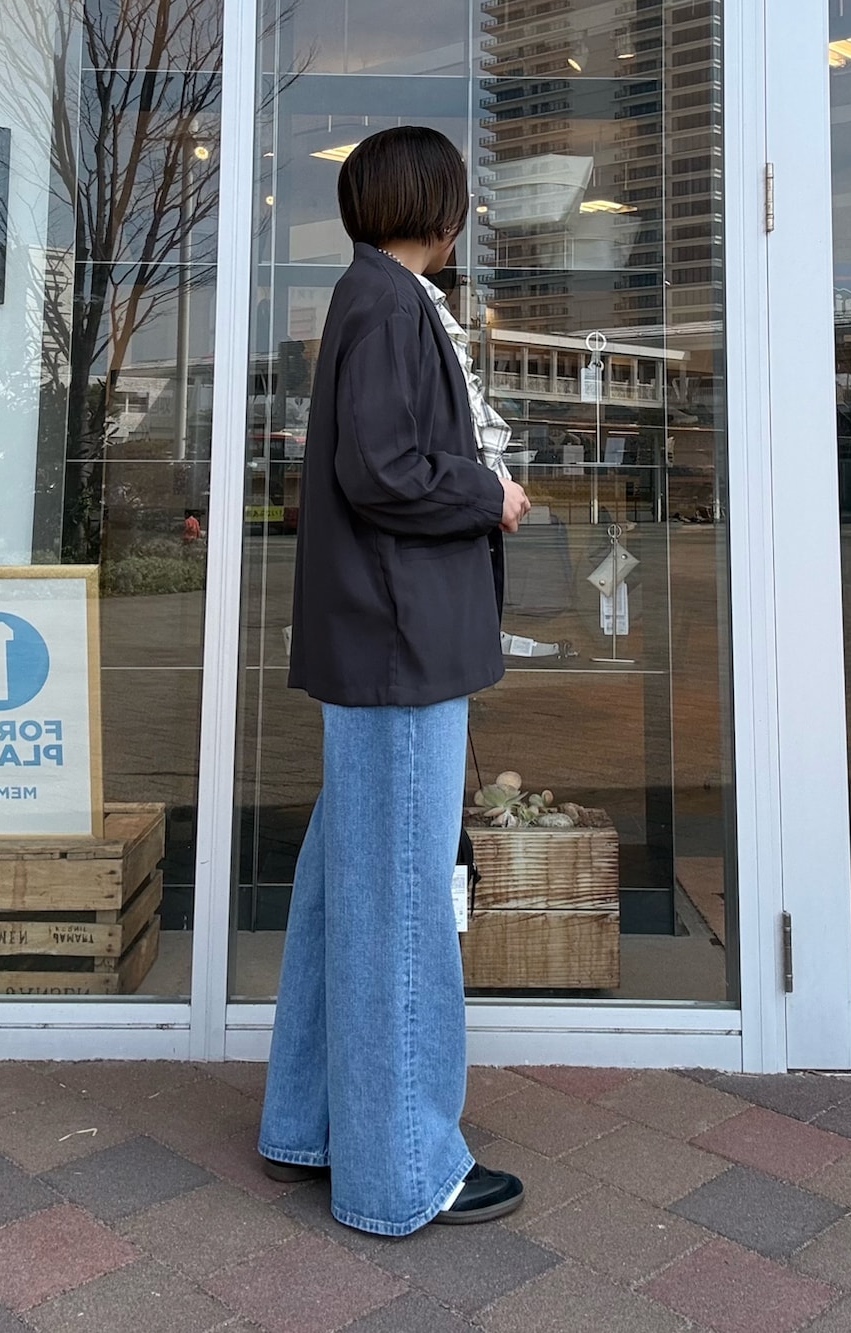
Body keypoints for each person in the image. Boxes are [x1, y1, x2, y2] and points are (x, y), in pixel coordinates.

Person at [257, 126, 531, 1237]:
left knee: (349, 894)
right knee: (399, 909)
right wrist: (488, 495)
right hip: (397, 645)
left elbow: (374, 466)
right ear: (439, 208)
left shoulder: (374, 296)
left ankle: (312, 1123)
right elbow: (384, 472)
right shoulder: (387, 304)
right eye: (458, 199)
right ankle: (402, 1169)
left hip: (382, 642)